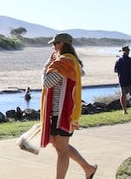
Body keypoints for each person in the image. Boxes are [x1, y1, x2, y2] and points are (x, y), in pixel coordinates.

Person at [41, 33, 97, 179]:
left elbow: (46, 83)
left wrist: (47, 65)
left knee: (62, 150)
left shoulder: (64, 62)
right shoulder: (72, 62)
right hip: (64, 110)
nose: (53, 47)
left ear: (61, 44)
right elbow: (80, 73)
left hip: (62, 112)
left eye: (55, 44)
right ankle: (88, 168)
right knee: (59, 146)